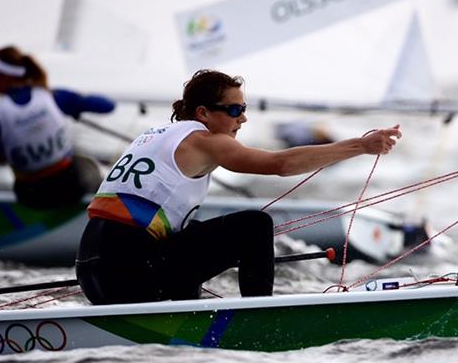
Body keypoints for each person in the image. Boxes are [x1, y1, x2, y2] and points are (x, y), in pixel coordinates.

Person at [76, 69, 402, 305]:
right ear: (203, 113)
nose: (242, 119)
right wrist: (360, 146)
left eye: (243, 109)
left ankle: (185, 306)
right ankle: (258, 315)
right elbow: (281, 165)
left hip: (92, 270)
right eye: (234, 110)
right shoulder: (205, 141)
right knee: (253, 226)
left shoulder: (155, 134)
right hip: (125, 271)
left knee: (195, 233)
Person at [0, 45, 115, 208]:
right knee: (89, 165)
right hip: (70, 189)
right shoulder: (52, 96)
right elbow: (108, 106)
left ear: (4, 76)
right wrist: (74, 104)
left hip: (30, 197)